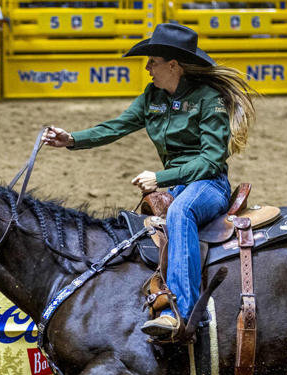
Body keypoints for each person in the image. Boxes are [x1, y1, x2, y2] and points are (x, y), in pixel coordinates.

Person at [41, 23, 256, 341]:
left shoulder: (208, 100)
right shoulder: (152, 97)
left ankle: (181, 313)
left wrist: (161, 178)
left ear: (173, 65)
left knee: (182, 212)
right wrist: (72, 139)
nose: (147, 67)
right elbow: (116, 126)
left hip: (208, 185)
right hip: (179, 185)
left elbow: (211, 160)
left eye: (152, 61)